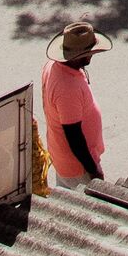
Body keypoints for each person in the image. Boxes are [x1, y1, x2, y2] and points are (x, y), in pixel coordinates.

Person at [40, 22, 107, 185]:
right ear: (78, 56)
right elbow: (74, 136)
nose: (92, 55)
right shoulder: (67, 89)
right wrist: (93, 169)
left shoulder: (55, 66)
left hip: (64, 158)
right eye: (89, 52)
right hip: (77, 168)